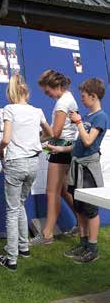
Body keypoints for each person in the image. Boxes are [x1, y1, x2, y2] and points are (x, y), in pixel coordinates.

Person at [48, 78, 108, 263]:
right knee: (80, 207)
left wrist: (79, 123)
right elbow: (79, 144)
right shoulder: (88, 117)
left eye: (83, 96)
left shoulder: (100, 117)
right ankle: (83, 244)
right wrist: (60, 149)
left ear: (93, 96)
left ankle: (92, 248)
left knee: (90, 209)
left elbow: (89, 141)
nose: (81, 100)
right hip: (77, 165)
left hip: (88, 169)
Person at [0, 74, 52, 271]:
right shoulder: (37, 111)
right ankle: (23, 247)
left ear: (11, 94)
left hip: (15, 163)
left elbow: (5, 139)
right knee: (20, 204)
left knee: (12, 210)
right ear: (27, 93)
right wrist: (37, 141)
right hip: (33, 163)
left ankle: (11, 258)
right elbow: (51, 133)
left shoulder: (9, 110)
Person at [30, 70, 78, 245]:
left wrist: (35, 138)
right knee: (64, 191)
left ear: (56, 86)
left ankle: (47, 234)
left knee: (52, 192)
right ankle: (82, 224)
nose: (47, 94)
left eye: (47, 91)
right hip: (68, 147)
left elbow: (55, 132)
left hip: (60, 147)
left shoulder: (61, 104)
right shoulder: (69, 98)